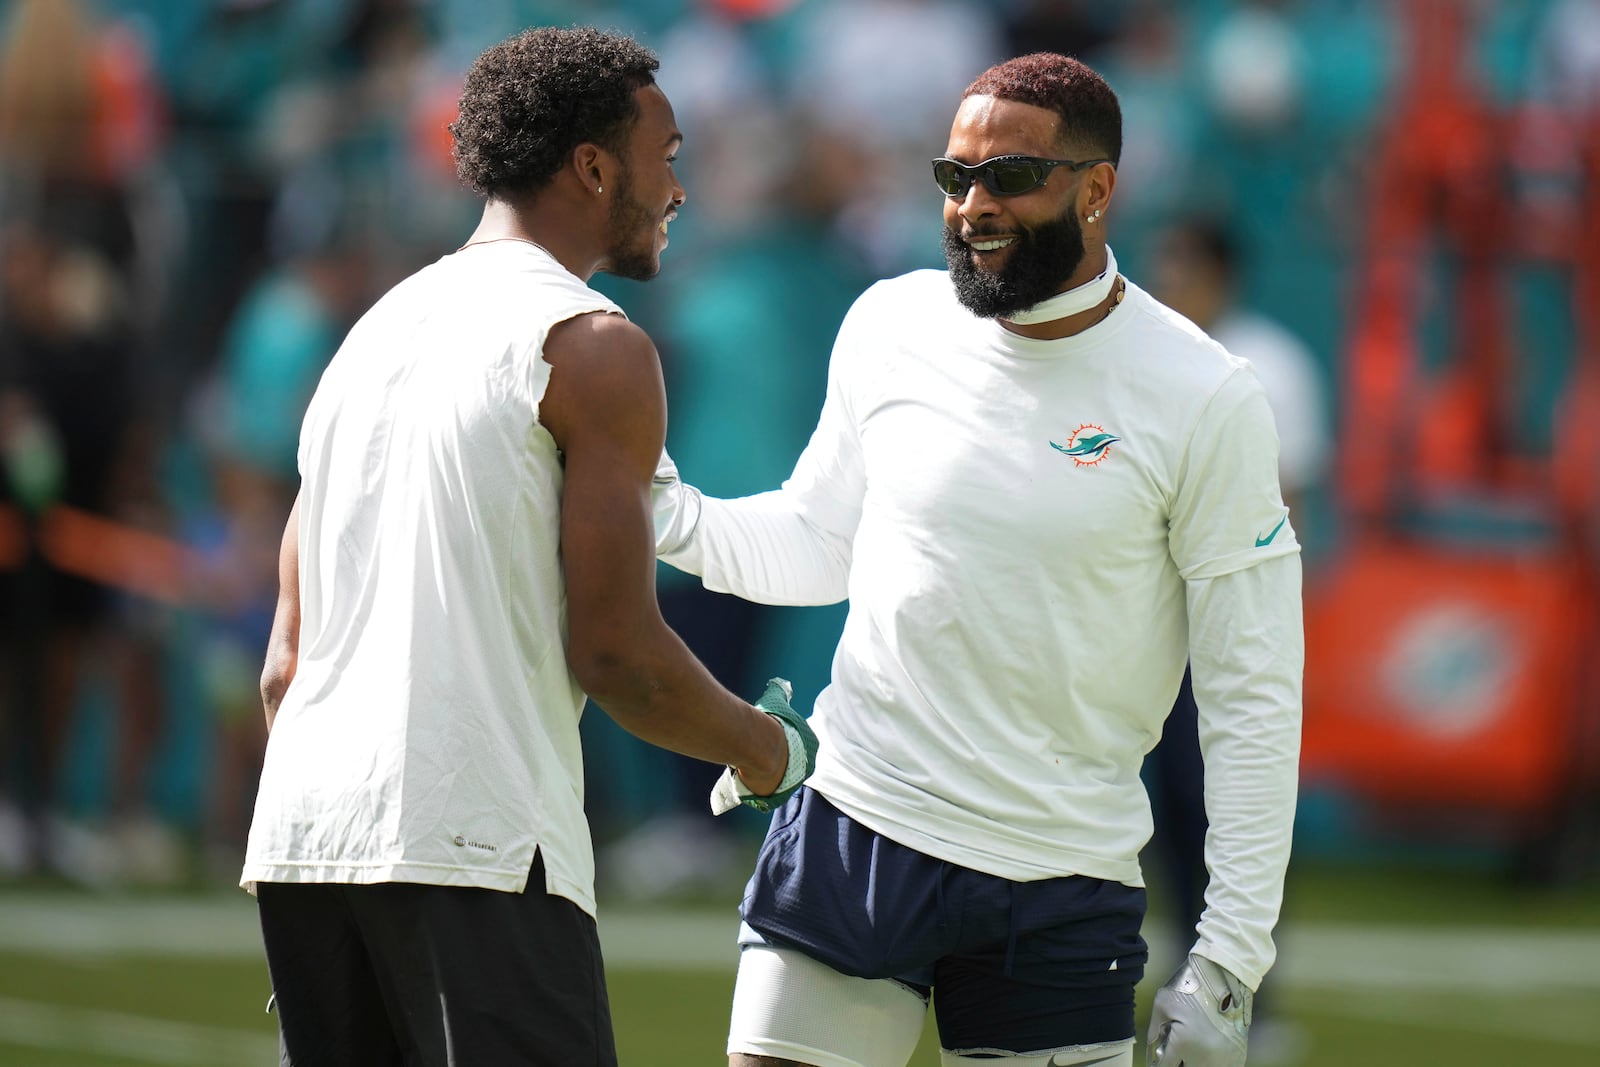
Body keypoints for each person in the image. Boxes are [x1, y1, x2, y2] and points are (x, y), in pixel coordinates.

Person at [652, 52, 1303, 1067]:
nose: (971, 205)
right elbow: (819, 543)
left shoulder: (1206, 394)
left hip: (1059, 879)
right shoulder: (888, 321)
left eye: (1008, 176)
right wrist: (661, 511)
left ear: (1097, 189)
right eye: (954, 177)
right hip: (853, 824)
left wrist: (1229, 958)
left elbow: (1252, 691)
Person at [240, 27, 818, 1066]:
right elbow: (617, 654)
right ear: (595, 167)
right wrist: (771, 750)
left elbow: (286, 664)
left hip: (304, 846)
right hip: (476, 847)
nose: (679, 186)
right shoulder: (594, 346)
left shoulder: (368, 334)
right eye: (667, 153)